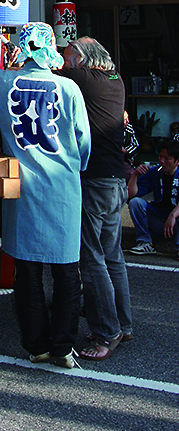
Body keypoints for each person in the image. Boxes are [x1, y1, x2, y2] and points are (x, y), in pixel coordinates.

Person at [0, 23, 91, 369]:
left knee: (26, 271)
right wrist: (75, 165)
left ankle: (36, 345)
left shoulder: (2, 82)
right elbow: (84, 143)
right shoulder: (69, 88)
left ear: (21, 47)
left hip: (23, 186)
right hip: (63, 188)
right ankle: (63, 348)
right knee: (66, 272)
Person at [59, 37, 133, 361]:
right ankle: (124, 324)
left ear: (82, 58)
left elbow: (50, 74)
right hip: (116, 180)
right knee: (113, 255)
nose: (67, 62)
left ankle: (106, 332)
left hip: (95, 180)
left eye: (70, 56)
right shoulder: (115, 81)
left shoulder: (83, 77)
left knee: (91, 259)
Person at [127, 141, 179, 259]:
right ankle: (145, 242)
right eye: (160, 157)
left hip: (175, 222)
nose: (162, 161)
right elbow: (132, 194)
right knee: (135, 203)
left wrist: (172, 216)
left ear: (177, 161)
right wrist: (135, 175)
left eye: (167, 158)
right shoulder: (154, 172)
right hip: (158, 217)